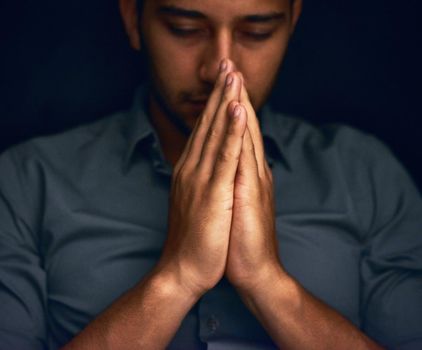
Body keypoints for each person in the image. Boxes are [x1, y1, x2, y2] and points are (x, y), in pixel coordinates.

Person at [0, 0, 421, 349]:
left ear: (292, 21)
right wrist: (177, 278)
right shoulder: (27, 182)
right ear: (133, 19)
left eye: (257, 32)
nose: (220, 69)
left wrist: (267, 283)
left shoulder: (367, 174)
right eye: (184, 29)